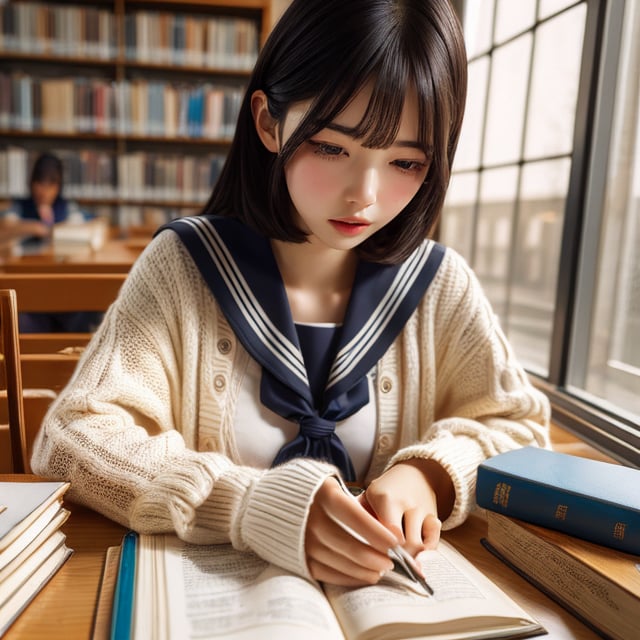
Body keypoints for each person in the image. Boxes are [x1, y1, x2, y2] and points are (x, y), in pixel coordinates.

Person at [31, 0, 550, 588]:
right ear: (269, 122)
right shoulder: (185, 267)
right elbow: (72, 440)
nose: (365, 195)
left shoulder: (439, 285)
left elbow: (522, 429)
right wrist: (249, 505)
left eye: (406, 161)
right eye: (332, 147)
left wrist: (432, 473)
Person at [0, 152, 101, 332]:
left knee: (93, 307)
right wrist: (34, 227)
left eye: (51, 184)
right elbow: (5, 226)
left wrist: (60, 229)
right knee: (18, 321)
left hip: (64, 286)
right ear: (31, 183)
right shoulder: (20, 207)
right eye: (40, 183)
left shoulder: (67, 208)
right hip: (29, 290)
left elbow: (94, 224)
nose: (44, 190)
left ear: (59, 186)